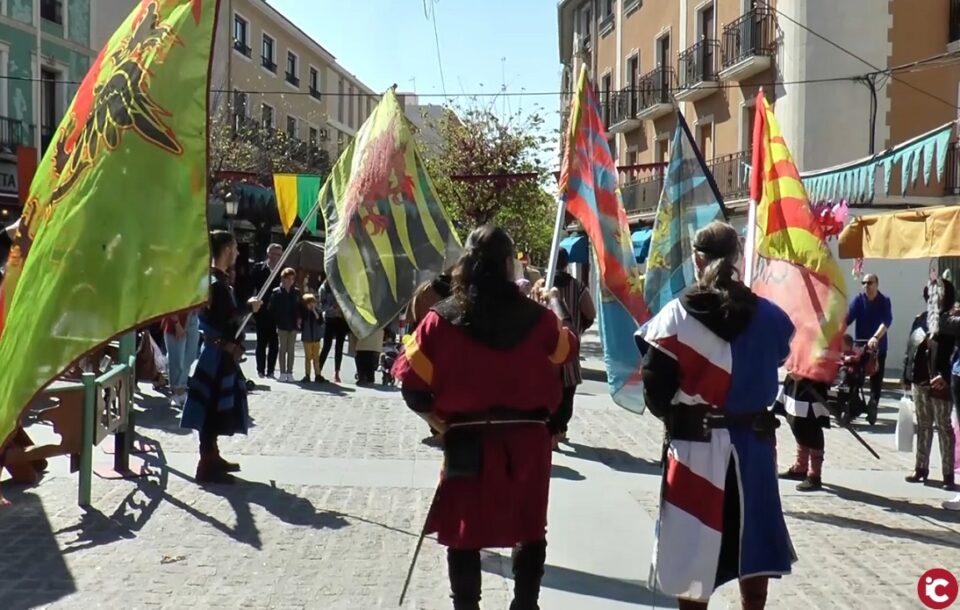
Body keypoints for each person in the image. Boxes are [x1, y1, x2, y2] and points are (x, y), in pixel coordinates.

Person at [393, 225, 579, 610]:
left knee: (465, 532)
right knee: (529, 528)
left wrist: (443, 426)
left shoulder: (439, 319)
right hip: (527, 442)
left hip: (468, 441)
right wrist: (554, 305)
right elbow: (566, 352)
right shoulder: (540, 319)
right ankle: (525, 604)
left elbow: (412, 387)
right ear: (510, 264)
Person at [635, 221, 795, 610]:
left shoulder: (675, 316)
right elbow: (776, 359)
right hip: (752, 451)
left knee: (693, 557)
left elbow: (656, 393)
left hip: (694, 452)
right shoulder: (771, 317)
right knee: (751, 544)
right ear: (738, 259)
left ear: (697, 259)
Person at [181, 231, 262, 484]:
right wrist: (249, 307)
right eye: (235, 248)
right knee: (211, 408)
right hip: (216, 355)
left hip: (220, 353)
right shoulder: (215, 283)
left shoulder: (219, 281)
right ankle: (206, 464)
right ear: (226, 249)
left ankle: (213, 456)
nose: (237, 253)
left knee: (217, 406)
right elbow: (223, 318)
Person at [903, 282, 956, 490]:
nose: (933, 298)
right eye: (931, 294)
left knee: (944, 427)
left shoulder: (951, 321)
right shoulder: (921, 319)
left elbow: (955, 352)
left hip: (941, 382)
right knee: (923, 425)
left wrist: (947, 374)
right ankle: (920, 468)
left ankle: (948, 474)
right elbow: (911, 347)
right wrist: (906, 374)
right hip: (920, 381)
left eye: (938, 294)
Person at [549, 248, 595, 448]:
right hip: (568, 346)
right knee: (567, 393)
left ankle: (551, 432)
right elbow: (590, 313)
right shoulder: (577, 286)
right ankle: (559, 430)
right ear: (566, 264)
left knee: (549, 391)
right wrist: (579, 328)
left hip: (546, 351)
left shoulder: (542, 285)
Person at [846, 273, 893, 416]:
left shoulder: (884, 301)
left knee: (876, 379)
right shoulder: (858, 300)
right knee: (854, 375)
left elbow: (886, 322)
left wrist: (875, 337)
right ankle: (854, 403)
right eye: (864, 283)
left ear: (876, 284)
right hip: (860, 347)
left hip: (878, 347)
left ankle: (873, 404)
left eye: (869, 282)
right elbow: (847, 319)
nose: (866, 285)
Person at [777, 374, 831, 492]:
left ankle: (814, 475)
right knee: (797, 423)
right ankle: (801, 468)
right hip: (796, 381)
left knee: (812, 428)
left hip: (813, 383)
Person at [252, 244, 283, 378]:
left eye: (279, 255)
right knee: (261, 342)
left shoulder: (282, 270)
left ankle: (270, 370)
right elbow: (251, 287)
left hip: (276, 311)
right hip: (261, 309)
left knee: (274, 343)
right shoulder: (259, 268)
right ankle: (260, 369)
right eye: (274, 254)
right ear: (268, 254)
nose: (276, 257)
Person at [162, 308, 201, 406]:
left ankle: (182, 389)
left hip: (193, 315)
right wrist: (176, 324)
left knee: (190, 356)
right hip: (176, 320)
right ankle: (175, 392)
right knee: (177, 359)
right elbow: (170, 303)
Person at [269, 268, 301, 382]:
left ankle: (290, 372)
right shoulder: (276, 292)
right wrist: (276, 320)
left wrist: (299, 318)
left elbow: (299, 307)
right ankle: (282, 372)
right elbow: (271, 309)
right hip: (282, 324)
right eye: (287, 278)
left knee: (291, 349)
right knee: (282, 349)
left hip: (293, 324)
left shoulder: (296, 292)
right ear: (282, 279)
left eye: (292, 279)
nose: (290, 281)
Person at [318, 273, 349, 383]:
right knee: (327, 345)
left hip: (341, 319)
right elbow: (322, 306)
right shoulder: (324, 288)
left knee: (339, 346)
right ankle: (318, 370)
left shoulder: (343, 287)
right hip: (330, 319)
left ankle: (336, 372)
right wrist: (333, 307)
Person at [300, 293, 324, 382]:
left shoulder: (318, 311)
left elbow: (319, 320)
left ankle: (318, 374)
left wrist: (314, 310)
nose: (311, 304)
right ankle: (307, 374)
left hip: (316, 338)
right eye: (309, 303)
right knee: (307, 357)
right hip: (307, 338)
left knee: (316, 357)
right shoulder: (304, 313)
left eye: (313, 302)